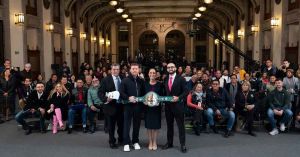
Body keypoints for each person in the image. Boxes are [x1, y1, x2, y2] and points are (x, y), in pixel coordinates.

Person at [162, 62, 188, 153]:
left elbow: (186, 92)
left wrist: (179, 98)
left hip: (178, 106)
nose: (170, 68)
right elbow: (164, 92)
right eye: (168, 67)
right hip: (168, 107)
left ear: (175, 68)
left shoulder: (181, 79)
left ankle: (183, 144)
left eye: (172, 67)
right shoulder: (165, 79)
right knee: (169, 126)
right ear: (167, 69)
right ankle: (169, 143)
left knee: (180, 126)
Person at [119, 63, 145, 152]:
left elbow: (143, 93)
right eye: (133, 68)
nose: (134, 70)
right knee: (127, 125)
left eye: (136, 69)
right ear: (130, 70)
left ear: (139, 70)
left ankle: (135, 141)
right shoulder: (125, 80)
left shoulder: (141, 80)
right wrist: (128, 98)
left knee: (137, 125)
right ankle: (126, 143)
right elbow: (121, 92)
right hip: (128, 106)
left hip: (138, 106)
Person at [99, 64, 124, 149]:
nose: (115, 71)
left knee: (121, 125)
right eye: (114, 69)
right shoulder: (105, 80)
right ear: (111, 70)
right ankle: (112, 141)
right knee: (111, 126)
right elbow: (100, 93)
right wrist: (106, 98)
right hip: (110, 107)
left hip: (121, 106)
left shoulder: (123, 78)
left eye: (117, 69)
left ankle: (121, 139)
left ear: (119, 70)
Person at [144, 68, 163, 150]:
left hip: (156, 108)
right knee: (149, 126)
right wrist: (143, 101)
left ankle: (154, 141)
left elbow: (162, 96)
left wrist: (160, 101)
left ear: (156, 74)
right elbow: (142, 96)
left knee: (155, 126)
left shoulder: (160, 84)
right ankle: (150, 141)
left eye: (154, 73)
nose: (152, 74)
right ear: (148, 74)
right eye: (150, 72)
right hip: (147, 108)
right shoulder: (145, 84)